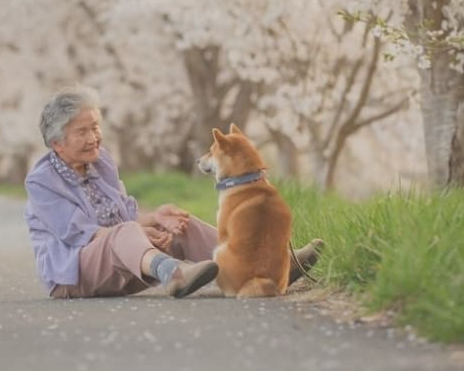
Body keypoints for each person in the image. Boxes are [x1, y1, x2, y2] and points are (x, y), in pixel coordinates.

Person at [24, 86, 321, 299]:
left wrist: (156, 218)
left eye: (95, 127)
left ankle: (270, 265)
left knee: (181, 224)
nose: (94, 138)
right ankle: (174, 274)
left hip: (126, 264)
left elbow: (125, 214)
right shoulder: (41, 182)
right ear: (57, 144)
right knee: (126, 231)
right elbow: (83, 233)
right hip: (74, 277)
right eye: (82, 132)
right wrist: (140, 233)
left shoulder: (100, 161)